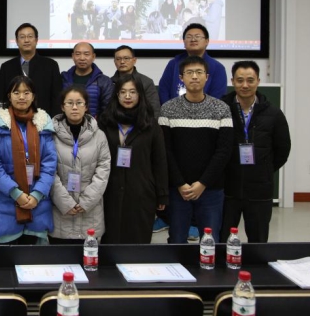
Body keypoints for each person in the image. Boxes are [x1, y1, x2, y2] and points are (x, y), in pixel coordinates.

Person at [159, 56, 233, 243]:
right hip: (178, 190)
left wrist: (203, 183)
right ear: (181, 78)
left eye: (199, 72)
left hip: (211, 189)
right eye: (189, 73)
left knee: (210, 240)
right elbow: (165, 151)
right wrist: (180, 183)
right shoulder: (168, 109)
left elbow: (223, 151)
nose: (194, 76)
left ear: (207, 77)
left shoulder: (221, 109)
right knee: (177, 240)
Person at [220, 61, 291, 243]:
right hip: (227, 188)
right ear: (232, 81)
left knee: (258, 241)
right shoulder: (221, 110)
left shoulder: (274, 113)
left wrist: (264, 169)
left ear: (258, 81)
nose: (245, 85)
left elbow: (282, 149)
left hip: (260, 189)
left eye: (250, 80)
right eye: (240, 80)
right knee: (221, 240)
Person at [0, 76, 56, 245]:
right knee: (7, 257)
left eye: (26, 92)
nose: (22, 97)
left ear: (33, 96)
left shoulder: (43, 123)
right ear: (9, 96)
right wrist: (16, 194)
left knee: (33, 258)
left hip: (37, 201)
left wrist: (37, 194)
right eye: (16, 92)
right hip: (6, 199)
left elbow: (50, 163)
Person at [99, 76, 168, 243]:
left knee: (138, 241)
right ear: (116, 95)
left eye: (132, 92)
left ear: (140, 95)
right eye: (123, 92)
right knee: (111, 241)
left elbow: (159, 161)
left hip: (141, 192)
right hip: (109, 191)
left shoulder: (150, 125)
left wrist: (162, 194)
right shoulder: (105, 122)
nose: (127, 96)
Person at [49, 86, 111, 244]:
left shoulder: (99, 136)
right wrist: (65, 202)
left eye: (79, 103)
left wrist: (86, 202)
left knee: (89, 257)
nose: (74, 107)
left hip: (90, 211)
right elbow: (48, 171)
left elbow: (103, 171)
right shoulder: (50, 135)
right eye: (69, 103)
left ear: (86, 106)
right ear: (62, 107)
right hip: (60, 212)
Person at [0, 23, 62, 115]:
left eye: (30, 36)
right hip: (13, 119)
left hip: (43, 119)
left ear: (36, 40)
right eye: (22, 37)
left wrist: (52, 121)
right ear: (17, 41)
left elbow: (57, 98)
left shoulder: (51, 65)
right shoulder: (6, 67)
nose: (26, 40)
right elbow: (1, 97)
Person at [159, 23, 227, 104]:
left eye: (197, 36)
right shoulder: (173, 64)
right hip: (173, 110)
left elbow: (217, 98)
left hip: (206, 111)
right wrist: (169, 109)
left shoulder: (217, 68)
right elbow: (163, 90)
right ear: (184, 42)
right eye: (189, 37)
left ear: (207, 41)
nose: (193, 39)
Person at [60, 42, 113, 117]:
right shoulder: (63, 78)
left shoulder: (104, 81)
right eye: (78, 54)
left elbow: (107, 109)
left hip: (95, 123)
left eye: (86, 54)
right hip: (65, 123)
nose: (82, 58)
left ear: (93, 56)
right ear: (73, 56)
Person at [110, 45, 161, 118]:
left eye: (126, 58)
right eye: (118, 59)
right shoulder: (109, 82)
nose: (122, 62)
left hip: (142, 122)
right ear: (114, 62)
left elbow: (154, 109)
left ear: (134, 60)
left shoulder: (146, 82)